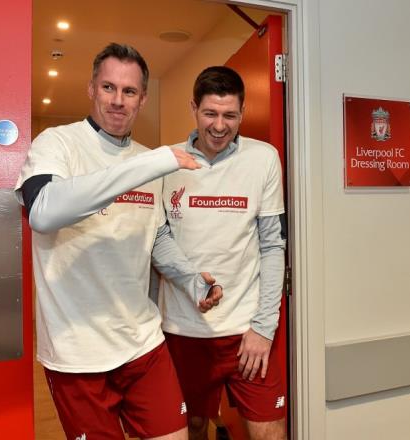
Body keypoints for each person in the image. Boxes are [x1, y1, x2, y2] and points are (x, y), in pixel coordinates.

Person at [15, 43, 222, 440]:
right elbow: (42, 211)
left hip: (141, 340)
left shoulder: (150, 161)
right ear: (91, 88)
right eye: (108, 87)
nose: (117, 100)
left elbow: (155, 235)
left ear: (142, 99)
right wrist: (149, 163)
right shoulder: (57, 144)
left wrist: (191, 279)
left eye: (129, 91)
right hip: (77, 350)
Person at [157, 66, 287, 440]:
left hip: (248, 331)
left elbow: (272, 246)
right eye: (210, 113)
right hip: (183, 331)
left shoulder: (263, 158)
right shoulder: (166, 163)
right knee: (192, 428)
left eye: (229, 115)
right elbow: (157, 240)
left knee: (269, 431)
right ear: (193, 108)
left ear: (242, 112)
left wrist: (263, 328)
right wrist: (191, 281)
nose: (219, 125)